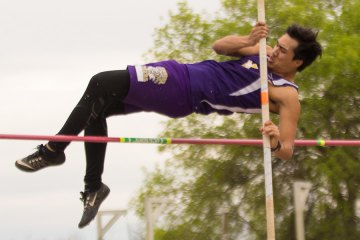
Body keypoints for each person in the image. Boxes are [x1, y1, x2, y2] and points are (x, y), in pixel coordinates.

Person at [15, 22, 322, 228]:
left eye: (283, 50)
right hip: (179, 74)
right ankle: (93, 187)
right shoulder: (263, 53)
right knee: (97, 108)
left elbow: (286, 150)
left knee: (100, 82)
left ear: (297, 63)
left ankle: (55, 149)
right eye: (277, 44)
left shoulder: (286, 95)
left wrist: (273, 139)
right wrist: (250, 40)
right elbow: (220, 46)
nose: (275, 50)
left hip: (180, 90)